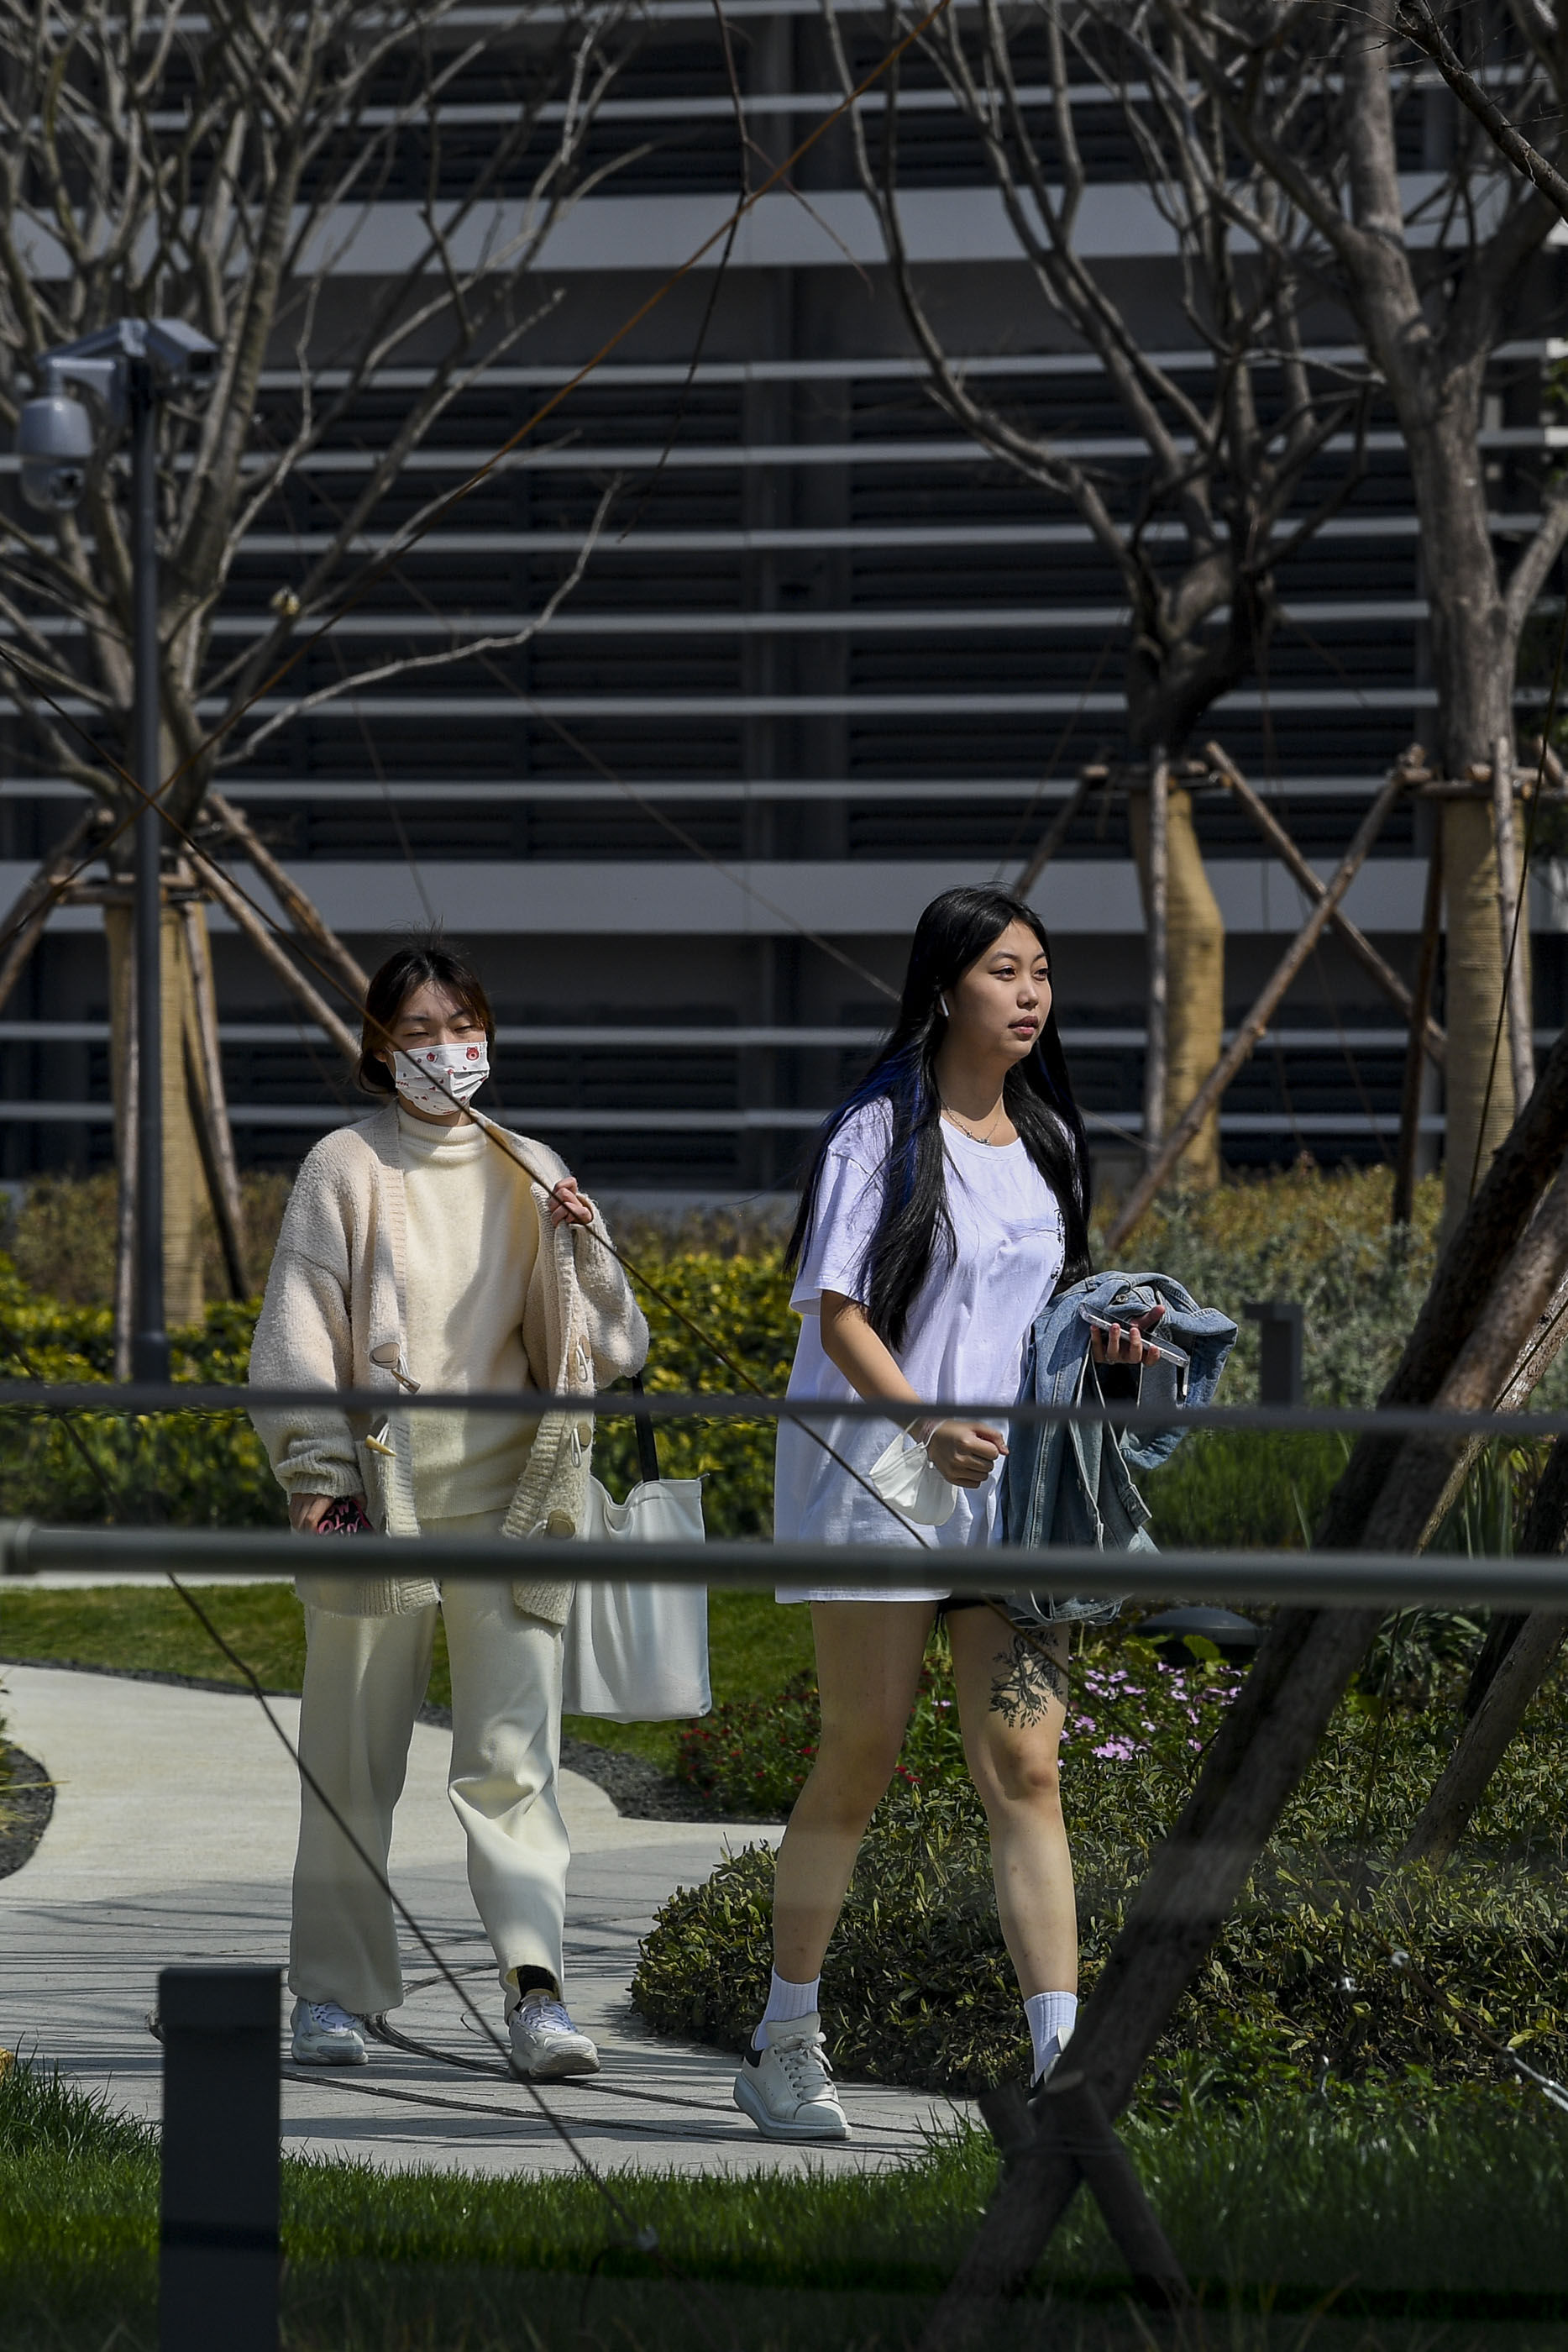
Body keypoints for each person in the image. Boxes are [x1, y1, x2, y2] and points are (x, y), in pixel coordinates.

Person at [737, 885, 1164, 2142]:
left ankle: (1066, 2065)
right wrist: (928, 1423)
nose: (1030, 994)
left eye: (1041, 971)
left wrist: (1118, 1356)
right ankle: (782, 2039)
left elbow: (1046, 1319)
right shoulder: (878, 1132)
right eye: (1004, 972)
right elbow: (840, 1316)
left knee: (1026, 1765)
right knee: (860, 1756)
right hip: (879, 1484)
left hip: (1014, 1494)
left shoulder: (1048, 1139)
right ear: (943, 989)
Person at [249, 937, 648, 2078]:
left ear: (487, 1036)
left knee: (514, 1760)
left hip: (518, 1501)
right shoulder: (345, 1166)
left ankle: (537, 1992)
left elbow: (612, 1347)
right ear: (380, 1048)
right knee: (350, 1754)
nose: (442, 1051)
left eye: (457, 1028)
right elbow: (295, 1343)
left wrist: (589, 1250)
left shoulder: (528, 1163)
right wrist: (318, 1483)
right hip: (380, 1497)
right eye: (416, 1032)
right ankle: (330, 1992)